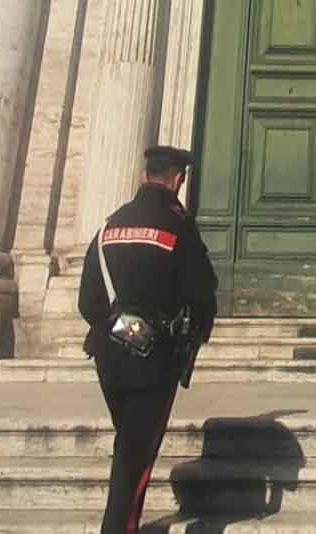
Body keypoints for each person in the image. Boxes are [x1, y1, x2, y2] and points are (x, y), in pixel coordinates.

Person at [80, 145, 218, 534]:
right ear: (177, 179)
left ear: (145, 176)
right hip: (155, 356)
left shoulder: (109, 225)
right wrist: (193, 337)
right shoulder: (178, 225)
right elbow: (201, 291)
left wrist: (120, 330)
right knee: (135, 456)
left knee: (129, 444)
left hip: (109, 353)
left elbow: (87, 301)